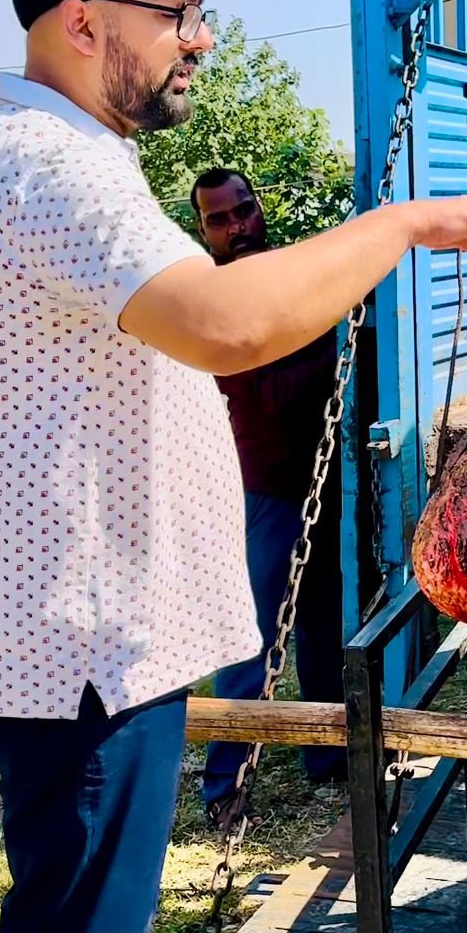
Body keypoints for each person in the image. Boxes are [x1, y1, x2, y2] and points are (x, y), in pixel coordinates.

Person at [0, 0, 467, 933]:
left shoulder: (42, 152)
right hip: (91, 655)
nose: (201, 38)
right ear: (83, 20)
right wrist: (407, 223)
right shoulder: (52, 163)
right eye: (174, 8)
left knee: (65, 931)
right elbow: (224, 322)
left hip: (80, 646)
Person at [191, 168, 345, 824]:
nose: (237, 227)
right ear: (205, 232)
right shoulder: (210, 300)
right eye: (220, 220)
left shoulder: (292, 274)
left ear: (260, 208)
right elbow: (266, 393)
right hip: (267, 492)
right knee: (253, 636)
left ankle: (328, 757)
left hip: (330, 479)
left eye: (243, 211)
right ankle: (224, 785)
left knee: (322, 629)